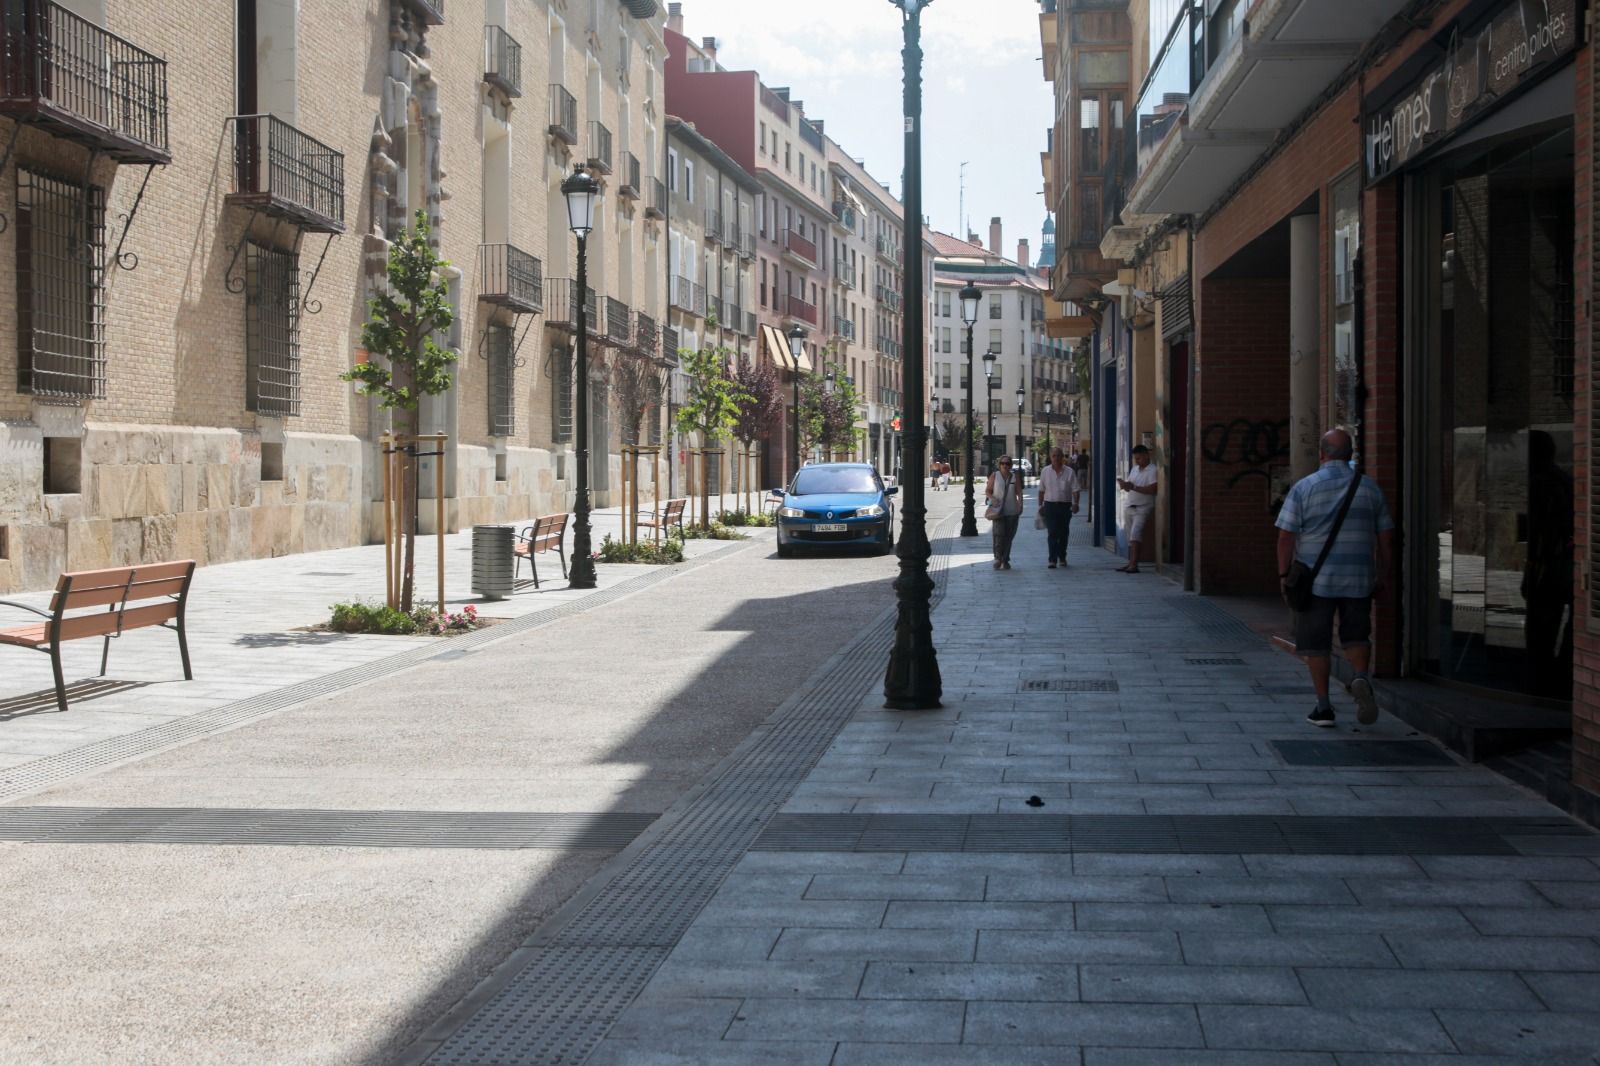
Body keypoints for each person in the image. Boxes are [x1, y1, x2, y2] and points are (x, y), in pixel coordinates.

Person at [1275, 428, 1395, 728]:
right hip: (1358, 577)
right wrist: (1383, 574)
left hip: (1315, 581)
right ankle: (1360, 678)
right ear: (1352, 454)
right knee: (1356, 634)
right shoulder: (1370, 489)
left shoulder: (1305, 487)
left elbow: (1286, 535)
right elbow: (1386, 538)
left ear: (1322, 453)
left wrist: (1283, 572)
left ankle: (1324, 707)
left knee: (1316, 643)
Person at [1115, 445, 1156, 573]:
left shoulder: (1152, 470)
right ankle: (1130, 563)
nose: (1137, 461)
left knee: (1135, 535)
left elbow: (1153, 489)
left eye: (1139, 458)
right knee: (1130, 537)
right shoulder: (1135, 469)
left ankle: (1134, 565)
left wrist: (1133, 487)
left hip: (1143, 507)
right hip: (1130, 506)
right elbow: (1131, 487)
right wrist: (1124, 485)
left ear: (1146, 455)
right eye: (1135, 459)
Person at [1038, 447, 1081, 569]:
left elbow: (1075, 489)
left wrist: (1075, 503)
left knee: (1063, 533)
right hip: (1050, 505)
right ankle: (1052, 559)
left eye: (1058, 456)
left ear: (1062, 457)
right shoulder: (1045, 471)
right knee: (1052, 532)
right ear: (1050, 457)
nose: (1056, 458)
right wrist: (1040, 506)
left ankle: (1062, 556)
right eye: (1054, 456)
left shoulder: (1069, 472)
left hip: (1065, 506)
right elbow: (1041, 490)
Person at [985, 455, 1025, 570]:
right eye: (1003, 463)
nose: (1005, 466)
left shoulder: (1014, 477)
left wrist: (1021, 504)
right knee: (998, 535)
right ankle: (998, 558)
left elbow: (1019, 492)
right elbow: (988, 491)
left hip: (1012, 511)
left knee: (1008, 537)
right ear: (999, 465)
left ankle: (1005, 559)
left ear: (1011, 465)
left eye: (1007, 464)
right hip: (998, 511)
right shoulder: (995, 475)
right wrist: (992, 498)